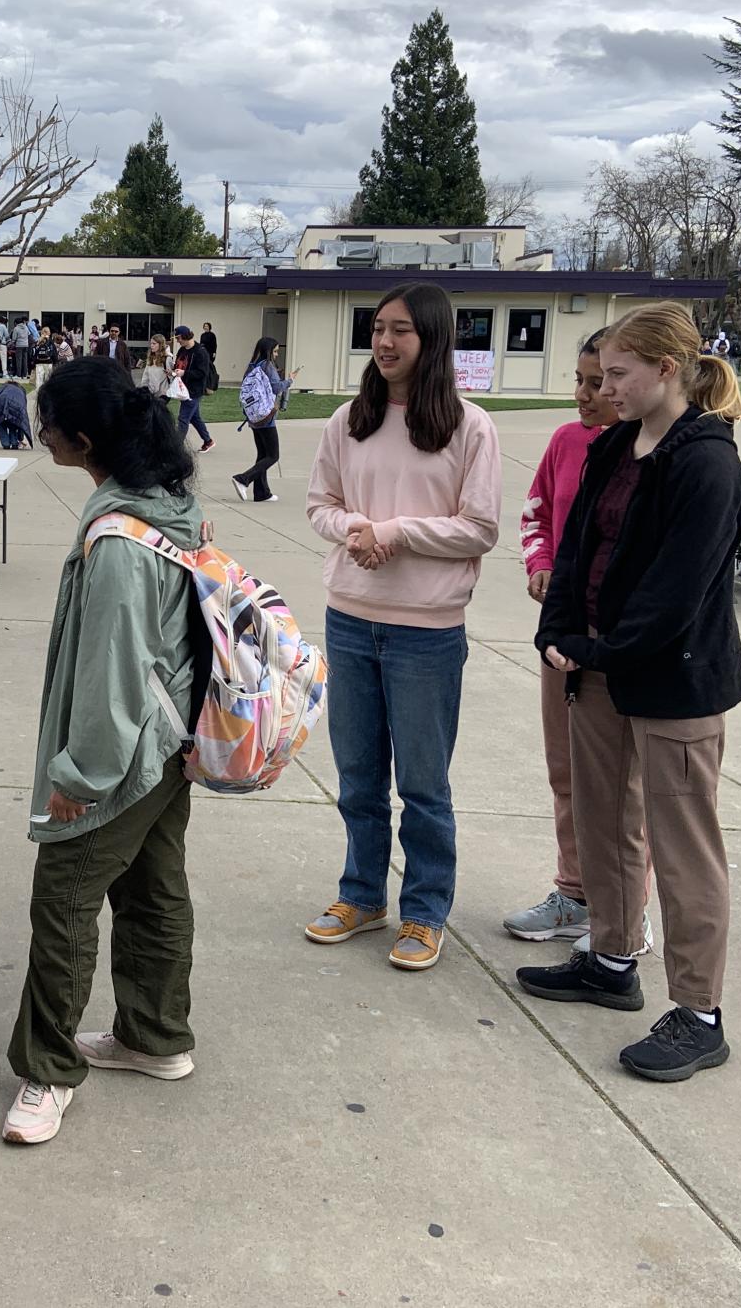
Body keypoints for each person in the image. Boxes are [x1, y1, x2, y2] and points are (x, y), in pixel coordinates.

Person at [521, 302, 741, 1084]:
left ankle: (698, 1013)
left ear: (664, 369)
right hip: (593, 669)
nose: (603, 388)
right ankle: (610, 959)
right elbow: (576, 537)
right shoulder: (616, 442)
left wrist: (597, 647)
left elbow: (675, 592)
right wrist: (558, 632)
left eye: (617, 373)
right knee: (603, 821)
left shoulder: (706, 462)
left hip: (673, 679)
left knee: (684, 849)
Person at [3, 357, 206, 1146]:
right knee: (154, 885)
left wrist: (78, 777)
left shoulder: (118, 539)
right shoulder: (164, 501)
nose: (38, 433)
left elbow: (111, 670)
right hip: (171, 736)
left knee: (63, 896)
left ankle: (46, 1071)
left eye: (44, 423)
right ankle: (154, 1035)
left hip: (126, 751)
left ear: (81, 438)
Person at [303, 281, 502, 972]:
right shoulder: (346, 420)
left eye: (401, 331)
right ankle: (361, 894)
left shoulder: (469, 426)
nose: (384, 342)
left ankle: (423, 910)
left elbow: (478, 529)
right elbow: (319, 505)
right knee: (357, 776)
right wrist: (354, 528)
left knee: (423, 784)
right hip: (350, 619)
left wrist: (394, 531)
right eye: (377, 328)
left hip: (426, 631)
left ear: (433, 339)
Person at [505, 332, 651, 949]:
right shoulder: (568, 442)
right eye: (584, 380)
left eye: (603, 381)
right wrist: (541, 563)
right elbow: (537, 512)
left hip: (623, 644)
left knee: (624, 789)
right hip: (564, 635)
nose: (588, 395)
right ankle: (574, 892)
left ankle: (624, 915)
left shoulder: (651, 452)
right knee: (565, 770)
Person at [230, 337, 292, 502]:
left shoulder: (252, 366)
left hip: (254, 416)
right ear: (268, 351)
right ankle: (243, 479)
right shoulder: (267, 366)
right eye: (276, 351)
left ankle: (262, 492)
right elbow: (277, 387)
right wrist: (290, 380)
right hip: (267, 416)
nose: (277, 354)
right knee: (273, 455)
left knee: (263, 454)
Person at [170, 326, 214, 451]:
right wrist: (173, 372)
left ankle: (176, 448)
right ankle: (208, 441)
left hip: (194, 390)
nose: (178, 341)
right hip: (183, 388)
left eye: (178, 338)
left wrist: (184, 373)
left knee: (183, 418)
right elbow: (178, 365)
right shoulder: (182, 350)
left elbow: (202, 373)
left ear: (185, 336)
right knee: (195, 417)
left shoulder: (200, 352)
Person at [0, 375, 34, 448]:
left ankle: (6, 444)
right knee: (13, 426)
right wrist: (21, 437)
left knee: (1, 426)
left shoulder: (0, 390)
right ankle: (14, 443)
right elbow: (22, 418)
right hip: (14, 409)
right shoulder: (20, 391)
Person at [31, 327, 60, 394]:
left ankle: (38, 392)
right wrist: (55, 361)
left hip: (39, 362)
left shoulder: (39, 341)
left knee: (39, 379)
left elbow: (34, 352)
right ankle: (47, 393)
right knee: (47, 378)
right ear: (48, 332)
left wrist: (33, 362)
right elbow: (54, 352)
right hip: (48, 361)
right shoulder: (50, 341)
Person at [10, 315, 34, 380]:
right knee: (25, 360)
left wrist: (12, 344)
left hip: (19, 345)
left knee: (19, 360)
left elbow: (14, 338)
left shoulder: (16, 328)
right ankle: (25, 374)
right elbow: (28, 334)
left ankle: (18, 375)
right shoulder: (26, 327)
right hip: (26, 345)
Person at [199, 321, 220, 390]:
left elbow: (214, 344)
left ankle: (211, 382)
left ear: (209, 327)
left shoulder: (212, 335)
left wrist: (214, 352)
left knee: (210, 367)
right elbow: (201, 344)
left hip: (210, 353)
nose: (205, 327)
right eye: (204, 326)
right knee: (204, 367)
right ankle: (205, 383)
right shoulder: (202, 335)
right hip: (204, 353)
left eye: (207, 326)